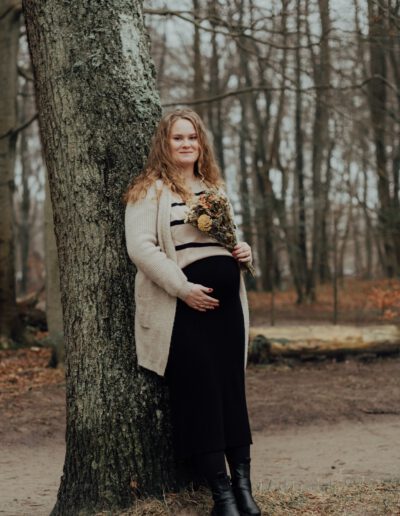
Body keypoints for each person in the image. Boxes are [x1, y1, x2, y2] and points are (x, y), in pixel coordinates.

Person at [123, 108, 261, 516]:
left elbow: (229, 239)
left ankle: (245, 495)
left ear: (201, 144)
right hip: (183, 310)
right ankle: (223, 498)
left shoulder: (214, 188)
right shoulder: (149, 190)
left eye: (192, 138)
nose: (186, 144)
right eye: (177, 138)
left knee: (231, 395)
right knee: (199, 396)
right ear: (164, 145)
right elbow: (141, 248)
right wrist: (183, 289)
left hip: (227, 312)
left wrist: (245, 251)